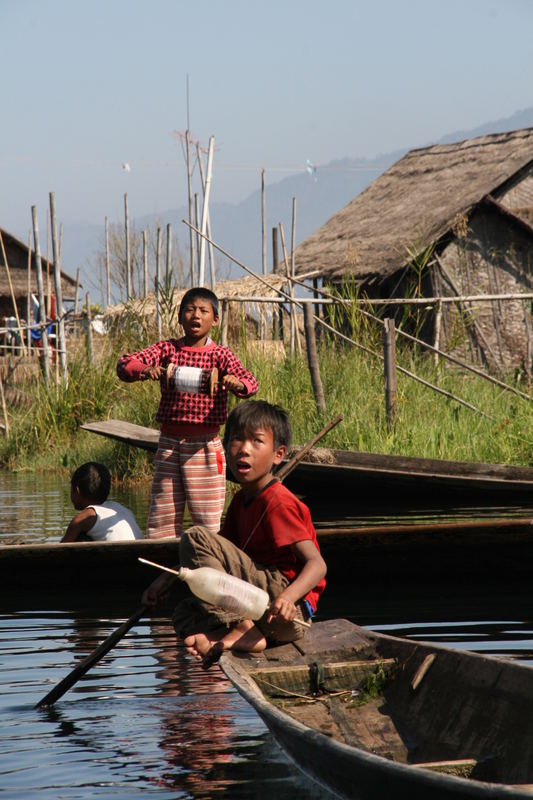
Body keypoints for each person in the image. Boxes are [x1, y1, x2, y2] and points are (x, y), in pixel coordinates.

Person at [141, 400, 327, 667]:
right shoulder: (241, 501)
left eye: (256, 441)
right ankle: (237, 635)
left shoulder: (279, 502)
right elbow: (215, 557)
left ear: (278, 454)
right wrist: (167, 579)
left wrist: (288, 598)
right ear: (226, 447)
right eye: (237, 440)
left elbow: (317, 564)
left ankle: (238, 628)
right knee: (184, 613)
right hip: (262, 611)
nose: (244, 450)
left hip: (285, 611)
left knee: (195, 537)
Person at [117, 287, 258, 539]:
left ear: (215, 319)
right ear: (180, 317)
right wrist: (145, 370)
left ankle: (210, 566)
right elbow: (125, 364)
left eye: (203, 311)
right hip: (169, 446)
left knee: (208, 525)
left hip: (205, 448)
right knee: (162, 521)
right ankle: (162, 567)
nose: (196, 315)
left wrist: (238, 384)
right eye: (190, 310)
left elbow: (250, 382)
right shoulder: (167, 350)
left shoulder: (220, 355)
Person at [61, 462, 143, 542]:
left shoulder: (84, 518)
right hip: (140, 555)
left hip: (119, 555)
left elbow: (60, 551)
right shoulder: (124, 510)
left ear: (77, 490)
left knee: (81, 538)